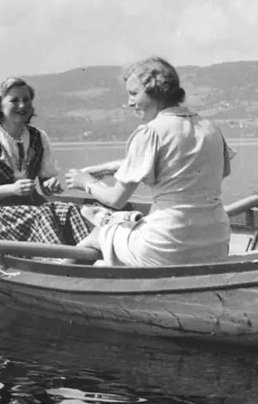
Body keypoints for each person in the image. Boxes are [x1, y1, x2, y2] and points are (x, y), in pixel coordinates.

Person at [65, 56, 234, 267]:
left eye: (134, 93)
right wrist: (108, 168)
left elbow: (115, 199)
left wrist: (86, 183)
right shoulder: (209, 127)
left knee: (99, 234)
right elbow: (189, 166)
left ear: (156, 92)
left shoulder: (150, 132)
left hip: (169, 244)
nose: (129, 103)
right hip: (217, 242)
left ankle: (54, 281)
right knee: (112, 256)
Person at [0, 77, 90, 246]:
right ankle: (58, 263)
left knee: (69, 210)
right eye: (14, 100)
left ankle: (87, 258)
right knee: (42, 215)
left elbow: (44, 185)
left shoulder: (38, 137)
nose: (22, 106)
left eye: (26, 100)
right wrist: (13, 189)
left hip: (28, 209)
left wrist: (50, 184)